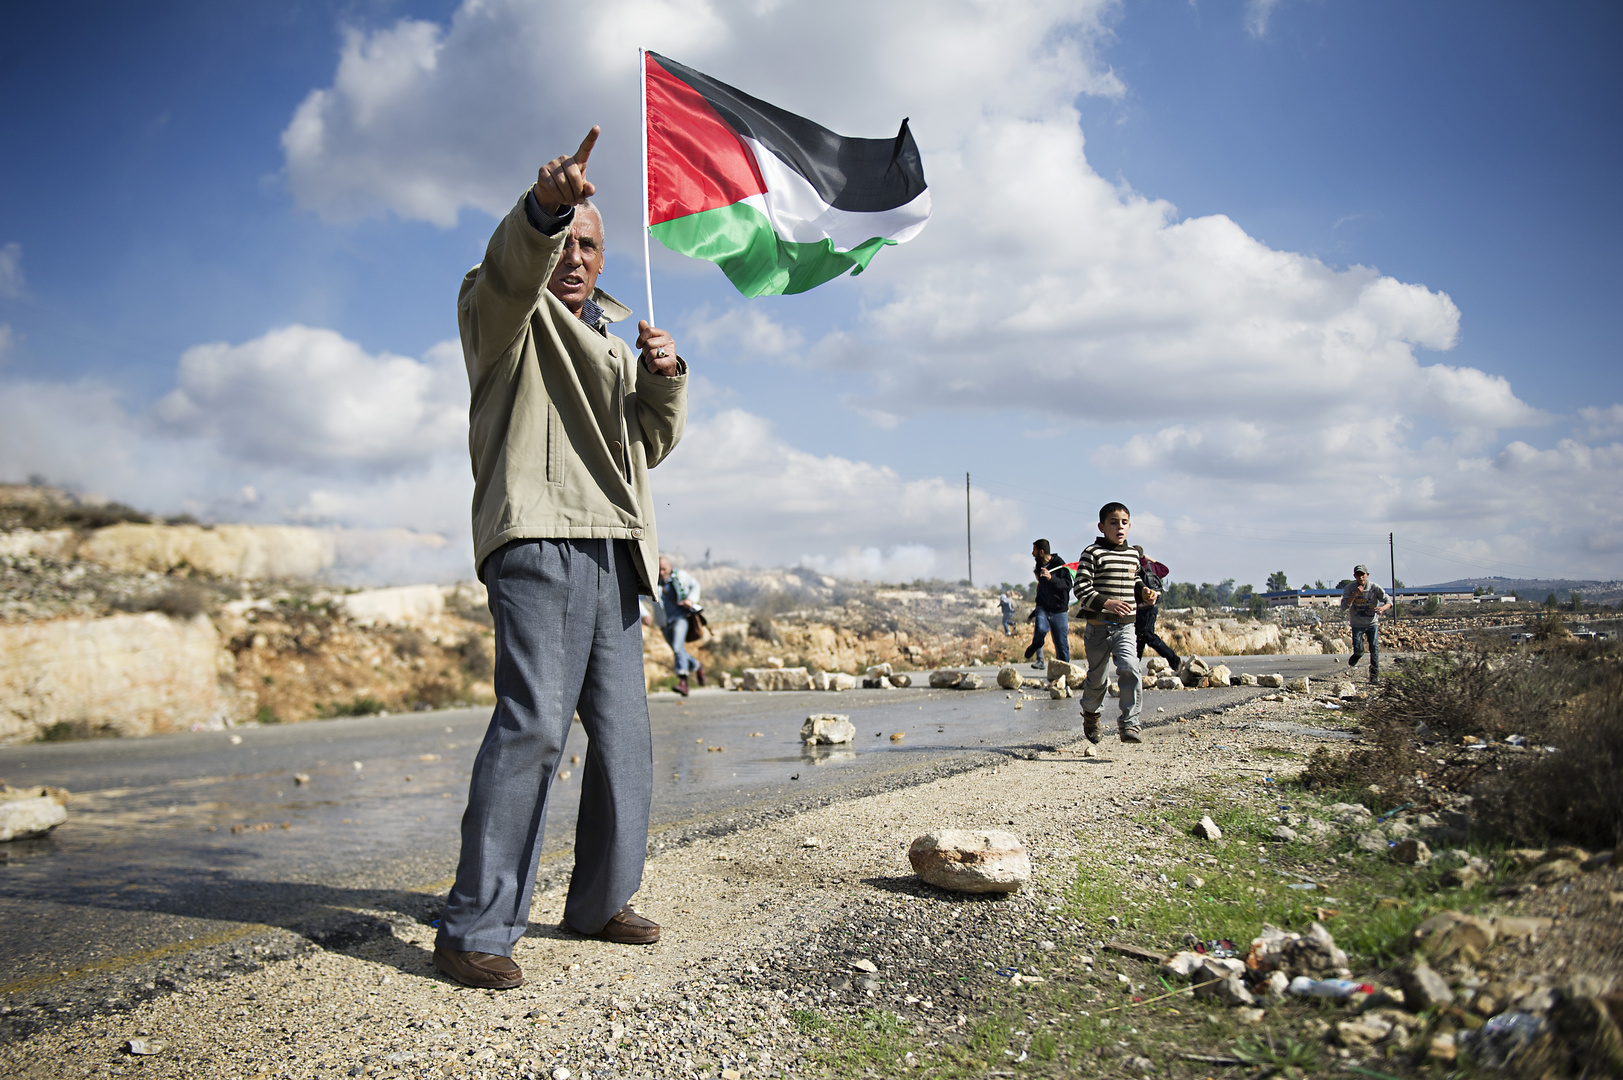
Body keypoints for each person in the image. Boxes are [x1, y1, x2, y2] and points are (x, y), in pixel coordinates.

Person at [435, 127, 687, 990]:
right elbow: (512, 268)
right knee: (534, 726)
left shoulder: (617, 341)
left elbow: (647, 445)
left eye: (587, 242)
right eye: (564, 237)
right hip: (538, 536)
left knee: (625, 739)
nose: (574, 254)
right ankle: (474, 927)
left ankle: (598, 901)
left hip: (617, 547)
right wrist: (543, 207)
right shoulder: (499, 308)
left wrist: (665, 374)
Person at [1073, 503, 1152, 745]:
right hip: (1098, 628)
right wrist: (1107, 603)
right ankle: (1091, 714)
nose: (1119, 527)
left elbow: (1135, 579)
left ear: (1130, 525)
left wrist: (1145, 591)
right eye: (1113, 522)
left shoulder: (1132, 555)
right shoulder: (1092, 553)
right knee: (1097, 678)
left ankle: (1130, 723)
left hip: (1126, 627)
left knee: (1130, 667)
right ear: (1101, 526)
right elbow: (1080, 588)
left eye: (1124, 522)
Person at [658, 555, 705, 695]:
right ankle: (697, 665)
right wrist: (644, 614)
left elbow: (696, 585)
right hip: (664, 622)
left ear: (670, 567)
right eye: (659, 570)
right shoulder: (653, 583)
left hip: (681, 618)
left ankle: (683, 682)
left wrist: (690, 599)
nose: (661, 572)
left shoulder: (681, 576)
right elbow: (639, 598)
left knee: (678, 648)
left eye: (664, 569)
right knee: (678, 651)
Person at [1024, 540, 1073, 668]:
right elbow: (1041, 590)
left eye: (1034, 550)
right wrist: (1034, 612)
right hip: (1043, 607)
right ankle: (1035, 645)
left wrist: (1052, 578)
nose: (1032, 553)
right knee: (1040, 629)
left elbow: (1067, 585)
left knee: (1061, 645)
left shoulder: (1060, 565)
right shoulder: (1039, 566)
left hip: (1059, 610)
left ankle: (1064, 672)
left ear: (1041, 551)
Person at [1132, 546, 1182, 668]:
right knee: (1140, 637)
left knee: (1147, 636)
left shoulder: (1134, 568)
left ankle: (1175, 660)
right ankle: (1133, 667)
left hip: (1140, 607)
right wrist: (1151, 560)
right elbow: (1165, 570)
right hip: (1152, 607)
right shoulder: (1151, 567)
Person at [1340, 564, 1391, 681]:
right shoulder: (1350, 588)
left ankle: (1374, 676)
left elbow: (1388, 601)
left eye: (1362, 575)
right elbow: (1344, 607)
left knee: (1374, 648)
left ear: (1367, 575)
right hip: (1357, 624)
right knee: (1358, 648)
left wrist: (1383, 608)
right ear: (1354, 576)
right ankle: (1357, 655)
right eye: (1357, 575)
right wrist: (1355, 594)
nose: (1360, 577)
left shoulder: (1374, 587)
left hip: (1371, 623)